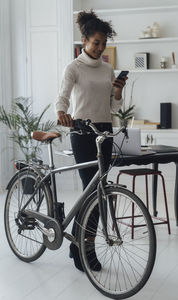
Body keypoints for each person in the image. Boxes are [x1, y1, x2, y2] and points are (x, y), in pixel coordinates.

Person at [55, 10, 127, 272]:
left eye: (104, 44)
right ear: (84, 40)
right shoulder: (73, 67)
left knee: (100, 192)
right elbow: (62, 96)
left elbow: (114, 105)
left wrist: (118, 90)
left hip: (104, 131)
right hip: (82, 132)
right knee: (92, 191)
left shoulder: (108, 68)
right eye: (96, 43)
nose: (100, 48)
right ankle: (86, 250)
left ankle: (78, 248)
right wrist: (61, 113)